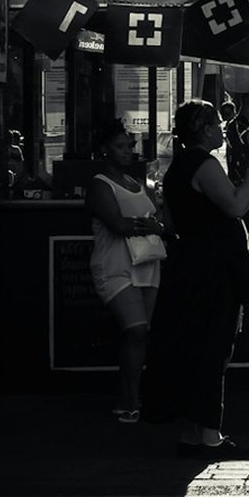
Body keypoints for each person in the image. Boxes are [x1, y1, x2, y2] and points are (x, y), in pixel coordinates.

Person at [159, 100, 249, 458]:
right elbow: (237, 206)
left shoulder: (178, 166)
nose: (224, 128)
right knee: (215, 346)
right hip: (213, 270)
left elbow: (174, 222)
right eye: (219, 123)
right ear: (205, 129)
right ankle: (210, 434)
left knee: (193, 345)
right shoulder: (203, 164)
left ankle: (192, 432)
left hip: (189, 265)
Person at [86, 119, 165, 423]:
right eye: (120, 146)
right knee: (135, 330)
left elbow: (158, 216)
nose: (128, 151)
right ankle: (130, 398)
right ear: (105, 150)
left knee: (141, 335)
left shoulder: (137, 183)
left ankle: (133, 397)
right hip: (116, 265)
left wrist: (154, 222)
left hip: (146, 263)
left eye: (130, 145)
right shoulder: (99, 184)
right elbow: (117, 224)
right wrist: (149, 224)